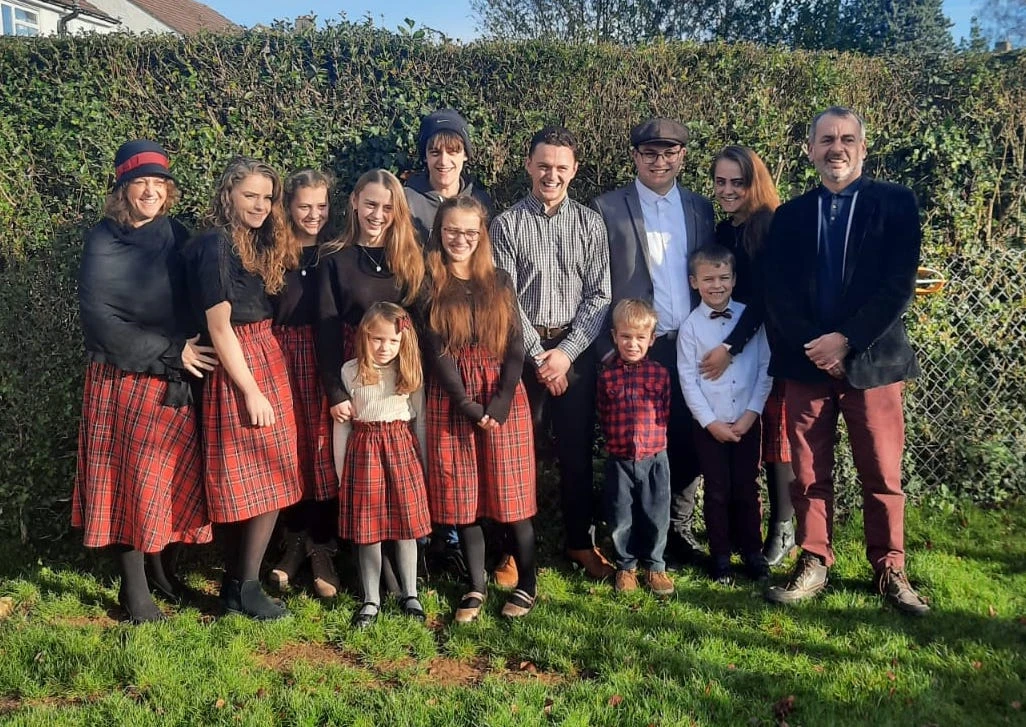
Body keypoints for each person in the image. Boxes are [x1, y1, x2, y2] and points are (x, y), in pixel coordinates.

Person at [763, 107, 929, 615]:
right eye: (827, 139)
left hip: (875, 361)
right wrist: (819, 344)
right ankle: (814, 560)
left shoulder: (896, 204)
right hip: (805, 362)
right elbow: (778, 292)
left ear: (863, 147)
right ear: (810, 150)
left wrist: (848, 341)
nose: (837, 148)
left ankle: (890, 569)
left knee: (882, 471)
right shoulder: (790, 216)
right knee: (808, 474)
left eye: (847, 139)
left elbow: (897, 284)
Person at [74, 140, 216, 623]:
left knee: (165, 481)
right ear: (122, 190)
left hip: (173, 379)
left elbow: (200, 294)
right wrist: (171, 350)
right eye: (141, 183)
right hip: (123, 376)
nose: (151, 192)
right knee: (128, 484)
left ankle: (162, 575)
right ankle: (133, 592)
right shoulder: (103, 240)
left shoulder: (175, 234)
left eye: (159, 183)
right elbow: (99, 320)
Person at [491, 125, 613, 579]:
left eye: (561, 167)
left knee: (578, 452)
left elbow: (600, 295)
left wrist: (565, 352)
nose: (552, 174)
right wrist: (540, 356)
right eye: (544, 165)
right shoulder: (506, 224)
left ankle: (580, 542)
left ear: (574, 170)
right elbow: (503, 298)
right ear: (528, 165)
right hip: (521, 355)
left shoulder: (589, 222)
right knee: (518, 453)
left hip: (574, 354)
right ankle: (511, 551)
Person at [592, 118, 715, 566]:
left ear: (682, 156)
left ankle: (676, 530)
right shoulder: (607, 207)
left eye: (668, 153)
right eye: (649, 153)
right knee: (629, 446)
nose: (659, 161)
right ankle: (627, 538)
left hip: (690, 343)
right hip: (637, 347)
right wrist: (609, 349)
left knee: (686, 440)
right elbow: (598, 281)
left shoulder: (702, 208)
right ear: (635, 157)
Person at [185, 157, 303, 620]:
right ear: (228, 195)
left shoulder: (251, 242)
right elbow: (220, 327)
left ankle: (237, 587)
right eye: (249, 195)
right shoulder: (215, 244)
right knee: (259, 479)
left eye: (267, 197)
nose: (260, 204)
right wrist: (251, 390)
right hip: (243, 362)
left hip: (263, 354)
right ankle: (246, 587)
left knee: (267, 477)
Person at [422, 197, 538, 621]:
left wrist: (502, 400)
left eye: (470, 232)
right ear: (440, 231)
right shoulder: (428, 281)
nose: (460, 239)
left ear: (482, 235)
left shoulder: (500, 281)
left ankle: (527, 583)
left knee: (513, 495)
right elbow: (436, 352)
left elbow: (515, 344)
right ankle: (476, 585)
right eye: (452, 230)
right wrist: (467, 404)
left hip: (502, 396)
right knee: (462, 496)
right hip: (455, 400)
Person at [708, 145, 795, 567]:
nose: (727, 190)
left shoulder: (772, 225)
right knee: (745, 435)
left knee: (776, 436)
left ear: (753, 183)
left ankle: (783, 523)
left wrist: (730, 346)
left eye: (737, 182)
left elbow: (763, 298)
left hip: (771, 341)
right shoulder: (725, 232)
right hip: (735, 343)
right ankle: (740, 531)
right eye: (721, 182)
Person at [333, 303, 432, 628]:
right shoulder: (350, 371)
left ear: (403, 341)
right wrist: (340, 470)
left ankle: (410, 593)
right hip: (364, 451)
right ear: (364, 336)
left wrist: (426, 468)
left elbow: (420, 422)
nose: (384, 347)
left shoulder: (409, 372)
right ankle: (371, 599)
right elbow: (343, 426)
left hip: (402, 449)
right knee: (367, 530)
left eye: (392, 341)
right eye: (376, 339)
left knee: (406, 528)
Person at [678, 244, 772, 584]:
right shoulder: (690, 328)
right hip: (710, 425)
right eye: (708, 279)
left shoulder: (751, 320)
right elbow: (688, 380)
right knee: (717, 490)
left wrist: (751, 414)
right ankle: (720, 556)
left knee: (748, 487)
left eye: (723, 278)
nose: (716, 285)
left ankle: (753, 552)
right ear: (693, 282)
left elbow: (765, 369)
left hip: (748, 421)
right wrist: (710, 422)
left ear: (734, 280)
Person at [268, 169, 341, 598]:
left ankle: (323, 547)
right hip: (283, 357)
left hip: (326, 356)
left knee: (323, 450)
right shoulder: (275, 251)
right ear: (289, 207)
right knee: (288, 450)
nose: (313, 215)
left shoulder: (335, 251)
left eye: (321, 206)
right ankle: (291, 543)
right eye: (304, 206)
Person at [596, 298, 674, 596]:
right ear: (615, 337)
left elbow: (665, 410)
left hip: (655, 456)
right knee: (621, 515)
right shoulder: (606, 375)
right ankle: (625, 566)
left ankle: (655, 566)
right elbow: (603, 410)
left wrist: (654, 444)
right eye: (626, 337)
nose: (632, 344)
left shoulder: (660, 374)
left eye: (640, 338)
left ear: (652, 340)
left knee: (656, 513)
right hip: (619, 457)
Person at [404, 108, 495, 245]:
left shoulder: (481, 202)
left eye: (452, 152)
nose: (444, 161)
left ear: (465, 155)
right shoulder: (405, 201)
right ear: (425, 156)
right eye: (435, 153)